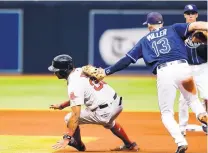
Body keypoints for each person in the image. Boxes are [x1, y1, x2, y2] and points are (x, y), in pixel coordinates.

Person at [87, 12, 208, 153]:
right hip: (183, 67)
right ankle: (202, 115)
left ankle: (181, 142)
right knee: (193, 100)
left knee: (167, 113)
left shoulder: (144, 41)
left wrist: (106, 71)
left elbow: (126, 60)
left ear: (149, 25)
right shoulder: (174, 28)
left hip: (164, 72)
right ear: (161, 23)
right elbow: (198, 25)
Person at [48, 54, 139, 152]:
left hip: (104, 112)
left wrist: (67, 137)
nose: (54, 73)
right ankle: (130, 144)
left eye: (56, 71)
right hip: (117, 103)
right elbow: (80, 97)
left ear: (63, 71)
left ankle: (79, 145)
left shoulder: (73, 84)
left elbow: (75, 115)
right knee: (109, 123)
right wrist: (62, 105)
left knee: (68, 118)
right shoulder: (80, 71)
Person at [178, 4, 208, 136]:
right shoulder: (179, 30)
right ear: (184, 15)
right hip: (186, 68)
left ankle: (205, 123)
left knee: (206, 96)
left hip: (203, 67)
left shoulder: (204, 29)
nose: (190, 15)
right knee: (183, 99)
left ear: (196, 15)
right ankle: (182, 127)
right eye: (188, 13)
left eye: (193, 13)